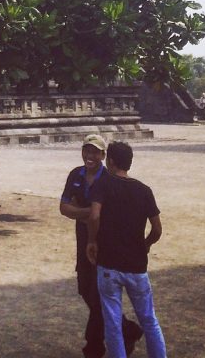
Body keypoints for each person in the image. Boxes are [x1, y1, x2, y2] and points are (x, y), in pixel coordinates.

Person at [60, 135, 143, 358]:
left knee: (97, 295)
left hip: (102, 242)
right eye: (87, 150)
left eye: (95, 152)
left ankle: (93, 346)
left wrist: (81, 211)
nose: (90, 156)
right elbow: (64, 207)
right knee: (85, 289)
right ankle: (128, 329)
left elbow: (104, 214)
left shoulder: (108, 179)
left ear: (103, 156)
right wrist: (89, 213)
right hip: (83, 240)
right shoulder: (75, 175)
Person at [87, 142, 167, 358]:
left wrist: (92, 241)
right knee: (149, 320)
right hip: (136, 265)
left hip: (109, 264)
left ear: (110, 160)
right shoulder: (144, 190)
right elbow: (157, 229)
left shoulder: (102, 185)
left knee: (112, 322)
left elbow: (94, 216)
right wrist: (145, 244)